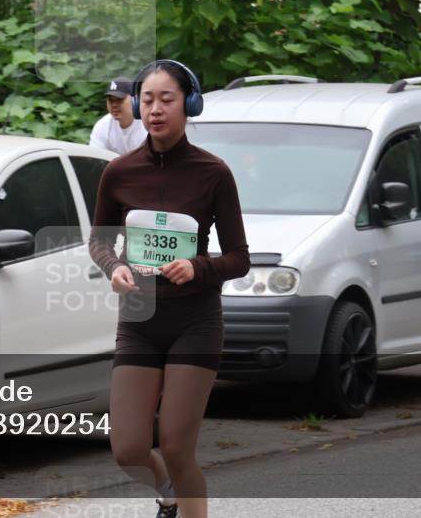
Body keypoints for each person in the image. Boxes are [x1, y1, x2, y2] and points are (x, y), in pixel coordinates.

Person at [88, 60, 250, 518]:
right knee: (128, 448)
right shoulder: (118, 173)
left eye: (167, 99)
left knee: (178, 447)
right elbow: (99, 242)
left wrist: (197, 267)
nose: (155, 109)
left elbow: (239, 258)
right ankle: (168, 494)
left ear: (189, 104)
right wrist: (115, 266)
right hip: (139, 322)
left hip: (195, 323)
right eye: (148, 100)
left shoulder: (213, 173)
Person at [89, 76, 149, 155]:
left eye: (119, 99)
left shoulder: (147, 124)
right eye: (110, 100)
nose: (114, 105)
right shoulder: (102, 126)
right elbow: (95, 159)